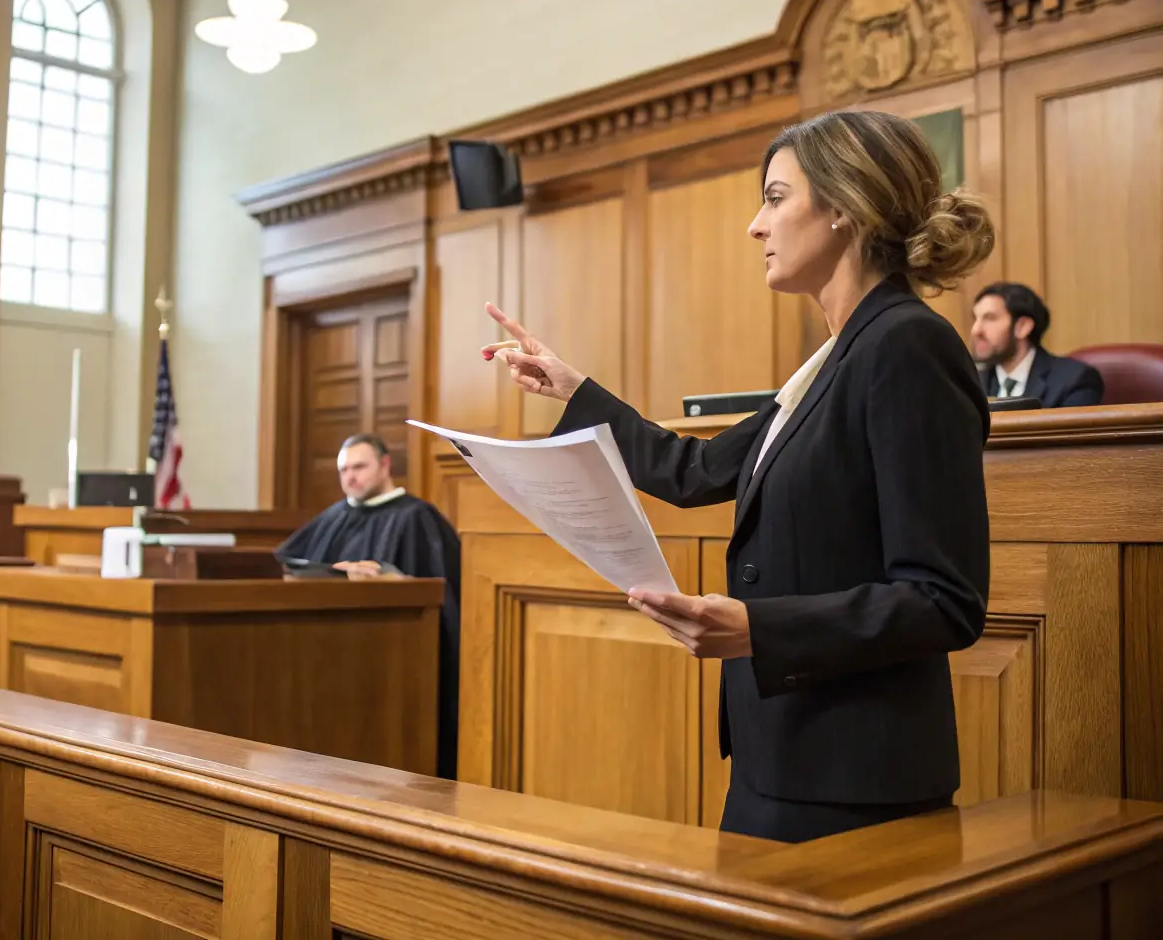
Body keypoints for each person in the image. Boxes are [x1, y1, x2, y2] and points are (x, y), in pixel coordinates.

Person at [482, 110, 994, 844]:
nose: (755, 225)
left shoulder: (906, 346)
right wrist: (572, 390)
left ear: (846, 206)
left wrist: (760, 628)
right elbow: (692, 471)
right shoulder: (835, 358)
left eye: (775, 197)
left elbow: (944, 601)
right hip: (780, 754)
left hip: (854, 777)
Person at [275, 433, 462, 779]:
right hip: (329, 661)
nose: (350, 476)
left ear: (385, 464)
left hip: (394, 665)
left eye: (359, 466)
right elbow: (286, 567)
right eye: (343, 469)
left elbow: (446, 597)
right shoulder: (333, 517)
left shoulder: (417, 518)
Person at [970, 282, 1104, 407]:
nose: (976, 330)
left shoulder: (1074, 380)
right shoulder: (970, 383)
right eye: (975, 319)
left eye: (990, 318)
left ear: (1022, 327)